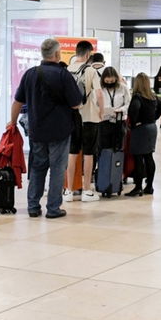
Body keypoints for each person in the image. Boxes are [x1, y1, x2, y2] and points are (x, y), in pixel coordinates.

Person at [9, 38, 82, 218]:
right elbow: (75, 104)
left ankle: (33, 206)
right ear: (57, 54)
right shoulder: (64, 75)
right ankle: (53, 208)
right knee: (57, 169)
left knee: (37, 167)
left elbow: (18, 102)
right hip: (60, 131)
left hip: (37, 130)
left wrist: (12, 123)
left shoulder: (30, 74)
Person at [64, 41, 101, 202]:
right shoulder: (91, 70)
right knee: (89, 153)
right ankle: (87, 190)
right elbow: (98, 93)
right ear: (87, 54)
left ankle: (69, 191)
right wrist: (101, 111)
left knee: (72, 153)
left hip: (71, 117)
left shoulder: (66, 70)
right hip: (89, 118)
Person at [126, 73, 161, 196]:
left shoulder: (137, 97)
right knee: (149, 157)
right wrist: (153, 118)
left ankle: (138, 187)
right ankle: (150, 186)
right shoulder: (153, 96)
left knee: (138, 158)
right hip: (152, 128)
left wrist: (135, 122)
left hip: (140, 130)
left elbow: (134, 110)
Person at [97, 67, 130, 150]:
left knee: (118, 148)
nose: (109, 83)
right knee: (104, 148)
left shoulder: (123, 88)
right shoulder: (100, 88)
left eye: (112, 81)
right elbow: (95, 104)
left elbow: (128, 103)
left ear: (116, 79)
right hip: (104, 122)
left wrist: (121, 110)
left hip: (119, 121)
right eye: (107, 81)